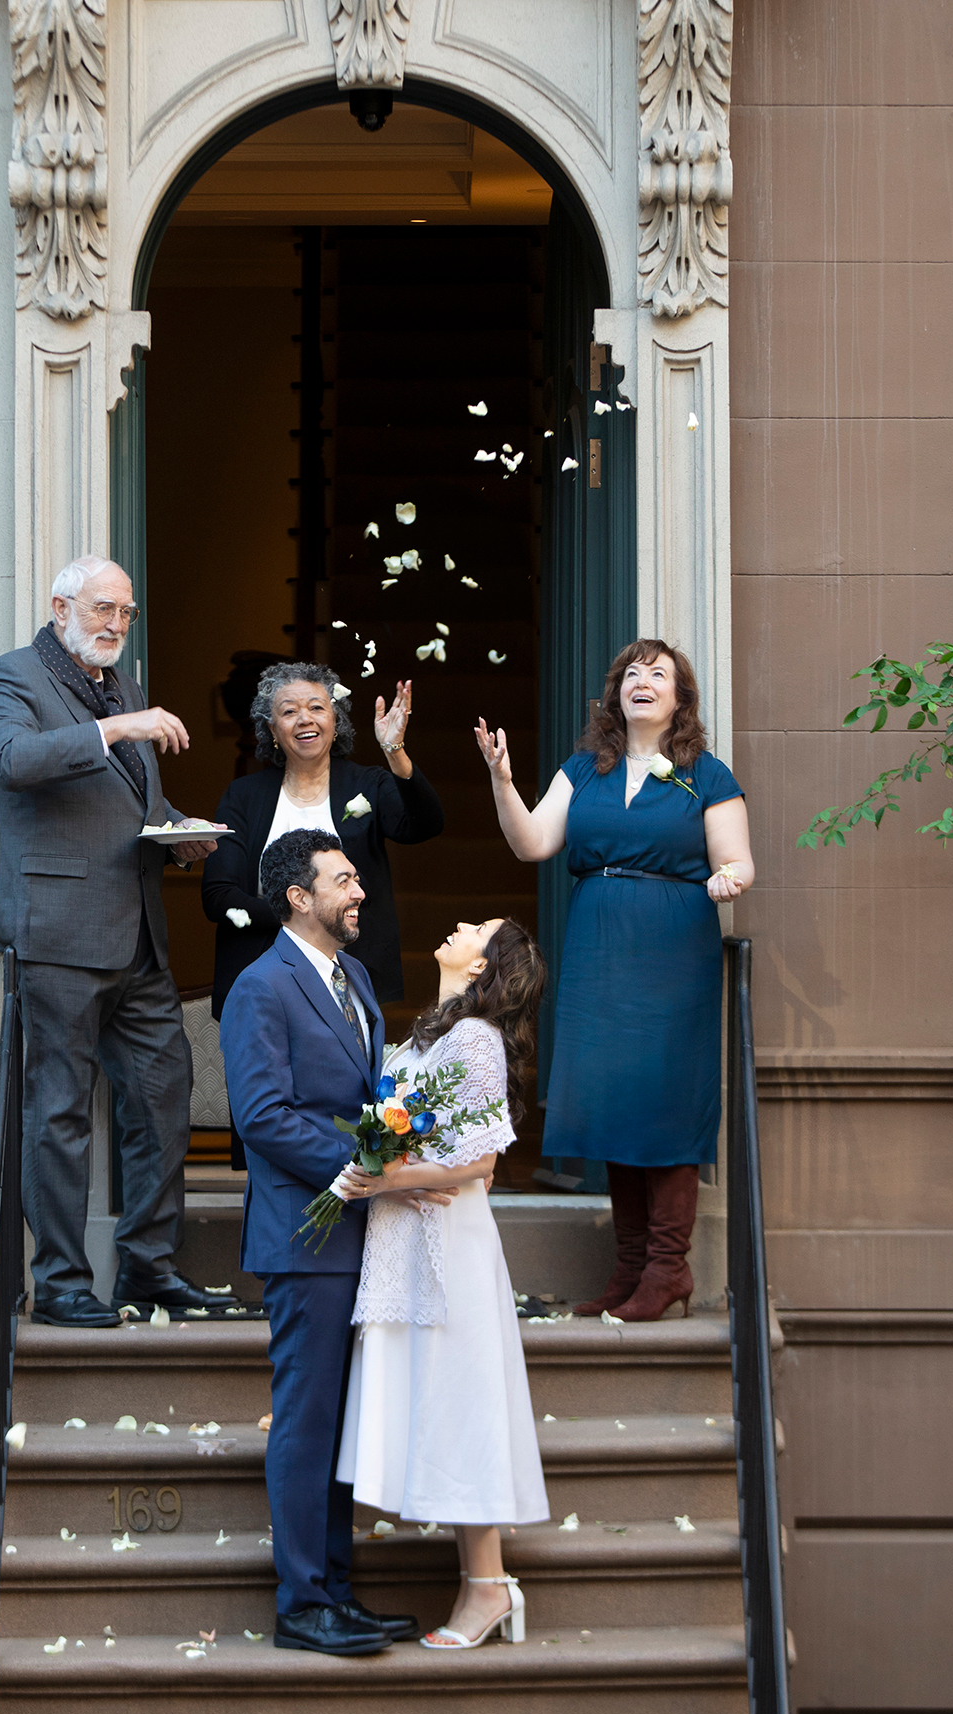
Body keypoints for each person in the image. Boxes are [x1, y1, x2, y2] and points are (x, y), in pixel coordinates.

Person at [219, 827, 458, 1657]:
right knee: (307, 1421)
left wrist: (402, 1130)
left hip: (362, 1233)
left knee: (341, 1422)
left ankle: (338, 1593)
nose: (360, 893)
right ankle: (300, 1604)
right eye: (344, 880)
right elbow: (261, 1117)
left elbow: (368, 1090)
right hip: (304, 1237)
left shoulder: (352, 975)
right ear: (298, 896)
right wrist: (365, 1163)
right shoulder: (260, 987)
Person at [0, 554, 224, 1329]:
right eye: (102, 610)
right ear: (60, 606)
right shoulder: (10, 678)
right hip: (55, 935)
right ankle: (59, 1285)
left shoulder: (119, 685)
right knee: (58, 1115)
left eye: (126, 613)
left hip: (139, 938)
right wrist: (117, 725)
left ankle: (147, 1270)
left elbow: (133, 798)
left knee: (162, 1101)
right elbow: (12, 762)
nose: (116, 624)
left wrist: (177, 830)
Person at [475, 639, 754, 1323]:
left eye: (657, 673)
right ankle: (631, 1271)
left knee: (664, 1101)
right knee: (613, 1105)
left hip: (671, 950)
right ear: (615, 695)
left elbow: (738, 861)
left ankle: (668, 1268)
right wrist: (502, 779)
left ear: (679, 698)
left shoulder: (706, 775)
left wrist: (726, 880)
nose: (641, 680)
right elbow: (532, 843)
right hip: (599, 949)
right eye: (631, 672)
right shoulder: (582, 770)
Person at [334, 916, 550, 1650]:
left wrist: (387, 1179)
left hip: (448, 1244)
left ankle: (486, 1586)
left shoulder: (475, 1041)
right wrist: (385, 1181)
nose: (454, 925)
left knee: (461, 1399)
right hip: (404, 1235)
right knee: (437, 1396)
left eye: (473, 928)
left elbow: (481, 1164)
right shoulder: (430, 1034)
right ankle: (481, 1581)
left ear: (484, 962)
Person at [201, 661, 443, 1026]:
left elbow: (425, 825)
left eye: (316, 707)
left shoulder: (368, 784)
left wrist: (394, 750)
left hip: (352, 974)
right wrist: (303, 920)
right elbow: (219, 896)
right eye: (289, 711)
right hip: (261, 974)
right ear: (272, 728)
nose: (304, 719)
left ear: (335, 720)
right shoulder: (244, 795)